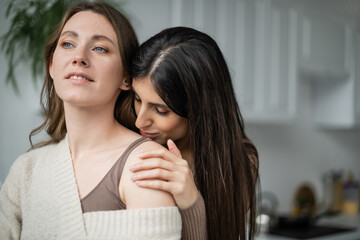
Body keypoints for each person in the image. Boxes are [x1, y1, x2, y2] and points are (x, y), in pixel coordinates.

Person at [0, 2, 182, 239]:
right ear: (52, 65)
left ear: (126, 78)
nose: (79, 57)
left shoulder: (145, 163)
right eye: (67, 43)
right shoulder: (25, 170)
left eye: (99, 49)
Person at [124, 26, 260, 240]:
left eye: (160, 110)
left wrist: (191, 201)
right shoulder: (127, 133)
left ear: (199, 110)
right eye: (137, 98)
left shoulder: (240, 161)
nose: (140, 120)